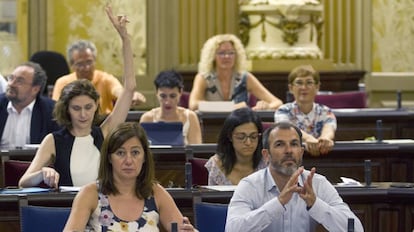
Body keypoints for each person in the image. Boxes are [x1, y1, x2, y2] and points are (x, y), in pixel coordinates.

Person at [18, 6, 137, 188]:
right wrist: (42, 173)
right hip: (68, 208)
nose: (83, 114)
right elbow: (23, 183)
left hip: (103, 209)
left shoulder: (104, 132)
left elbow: (129, 87)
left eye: (88, 107)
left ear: (96, 106)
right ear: (67, 109)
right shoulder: (53, 140)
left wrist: (125, 39)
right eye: (76, 108)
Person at [225, 122, 364, 232]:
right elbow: (232, 229)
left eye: (294, 144)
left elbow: (355, 229)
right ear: (266, 155)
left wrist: (315, 204)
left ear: (301, 152)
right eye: (280, 145)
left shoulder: (317, 183)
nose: (289, 151)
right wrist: (278, 203)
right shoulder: (250, 185)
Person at [63, 121, 196, 231]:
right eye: (120, 153)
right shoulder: (90, 193)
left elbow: (183, 228)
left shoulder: (155, 192)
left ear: (144, 157)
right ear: (109, 158)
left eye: (135, 152)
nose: (128, 160)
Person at [51, 37, 146, 115]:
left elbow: (118, 91)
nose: (86, 67)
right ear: (72, 65)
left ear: (95, 60)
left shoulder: (105, 79)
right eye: (80, 64)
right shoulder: (63, 82)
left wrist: (130, 96)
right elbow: (56, 109)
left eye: (89, 62)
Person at [188, 34, 283, 111]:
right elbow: (193, 105)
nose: (227, 57)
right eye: (221, 53)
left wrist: (265, 107)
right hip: (211, 126)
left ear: (237, 56)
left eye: (231, 53)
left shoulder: (245, 77)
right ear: (213, 56)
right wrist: (232, 107)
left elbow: (277, 103)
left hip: (240, 128)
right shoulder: (203, 77)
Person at [274, 64, 336, 156]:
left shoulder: (326, 111)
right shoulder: (283, 111)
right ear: (291, 88)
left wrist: (325, 139)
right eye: (299, 83)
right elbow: (288, 129)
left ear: (317, 87)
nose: (304, 87)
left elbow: (329, 128)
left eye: (309, 82)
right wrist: (308, 139)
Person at [0, 62, 60, 148]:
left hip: (35, 161)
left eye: (19, 81)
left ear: (35, 89)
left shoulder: (52, 111)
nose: (11, 84)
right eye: (11, 78)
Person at [205, 107, 266, 185]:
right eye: (241, 137)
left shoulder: (268, 162)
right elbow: (211, 196)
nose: (248, 142)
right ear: (230, 137)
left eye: (253, 136)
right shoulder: (217, 164)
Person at [140, 70, 202, 144]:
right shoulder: (147, 118)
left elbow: (196, 150)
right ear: (156, 93)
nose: (167, 102)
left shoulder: (190, 117)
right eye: (163, 96)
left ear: (180, 93)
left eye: (172, 96)